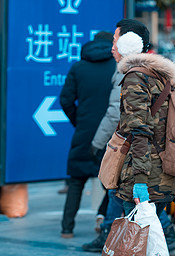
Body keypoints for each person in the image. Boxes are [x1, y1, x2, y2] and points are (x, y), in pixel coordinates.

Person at [102, 19, 175, 256]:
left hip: (145, 176)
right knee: (149, 241)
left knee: (139, 247)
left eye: (116, 40)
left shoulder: (134, 77)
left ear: (129, 44)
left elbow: (139, 131)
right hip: (163, 173)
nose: (112, 46)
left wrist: (139, 182)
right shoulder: (158, 73)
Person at [59, 32, 116, 238]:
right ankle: (103, 218)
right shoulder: (117, 68)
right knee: (111, 183)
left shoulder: (78, 67)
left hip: (84, 131)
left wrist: (78, 120)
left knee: (76, 180)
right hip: (110, 133)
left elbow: (65, 100)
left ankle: (67, 228)